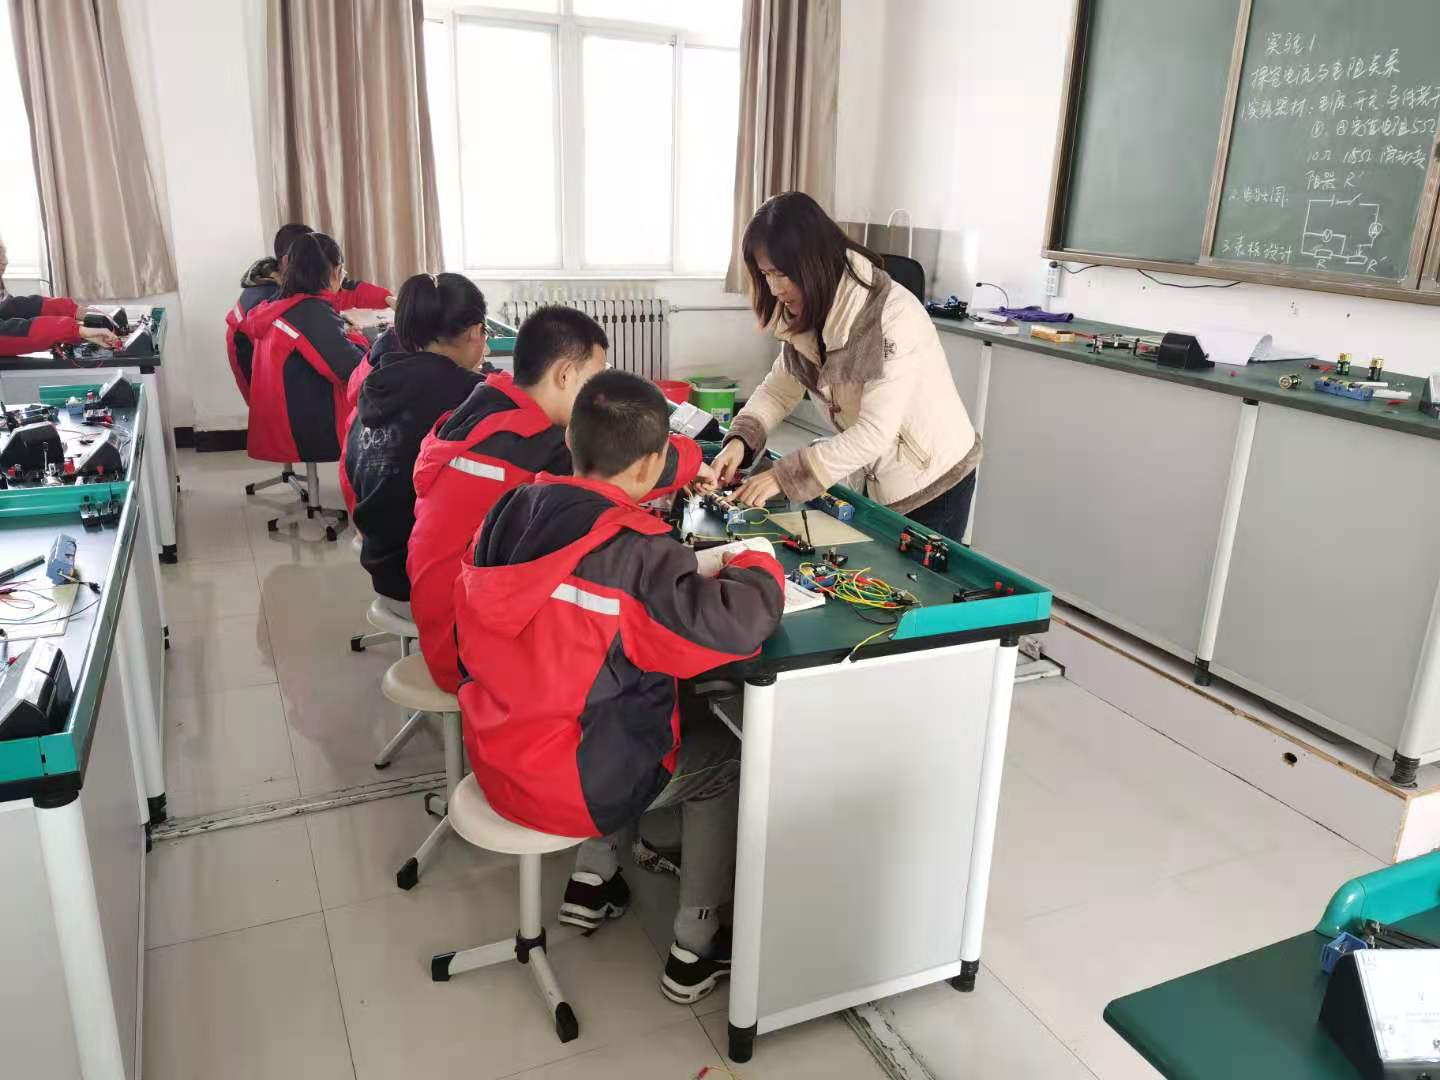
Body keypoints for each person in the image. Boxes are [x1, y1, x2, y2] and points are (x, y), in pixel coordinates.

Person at [455, 370, 784, 1004]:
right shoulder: (636, 554)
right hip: (569, 784)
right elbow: (733, 628)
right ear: (655, 464)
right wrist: (755, 561)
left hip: (497, 753)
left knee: (597, 696)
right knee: (724, 756)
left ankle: (593, 879)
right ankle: (695, 946)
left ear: (569, 441)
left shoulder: (507, 512)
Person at [407, 305, 707, 693]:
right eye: (594, 379)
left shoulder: (483, 408)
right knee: (631, 635)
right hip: (468, 653)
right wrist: (694, 460)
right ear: (565, 375)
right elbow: (623, 464)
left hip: (441, 617)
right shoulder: (536, 443)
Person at [712, 191, 982, 540]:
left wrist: (784, 475)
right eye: (766, 274)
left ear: (813, 262)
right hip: (873, 475)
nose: (774, 288)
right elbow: (779, 391)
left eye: (782, 274)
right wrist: (739, 442)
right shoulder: (807, 311)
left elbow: (875, 432)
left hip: (933, 482)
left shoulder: (891, 316)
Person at [344, 274, 494, 613]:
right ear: (475, 332)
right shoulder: (469, 398)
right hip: (426, 583)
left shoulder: (379, 383)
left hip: (381, 563)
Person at [239, 231, 369, 464]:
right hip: (308, 429)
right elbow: (352, 370)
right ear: (333, 271)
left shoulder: (278, 302)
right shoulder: (310, 312)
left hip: (281, 423)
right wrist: (361, 339)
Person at [226, 223, 392, 404]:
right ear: (289, 261)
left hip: (279, 398)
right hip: (250, 362)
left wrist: (387, 298)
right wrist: (363, 340)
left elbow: (343, 292)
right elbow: (354, 372)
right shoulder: (293, 306)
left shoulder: (289, 293)